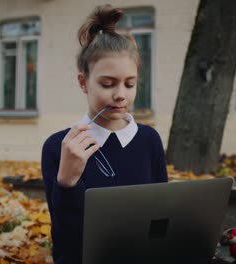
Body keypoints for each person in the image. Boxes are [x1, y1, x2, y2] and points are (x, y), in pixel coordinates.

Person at [41, 4, 168, 264]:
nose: (121, 94)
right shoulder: (59, 147)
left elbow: (161, 224)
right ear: (83, 82)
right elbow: (65, 246)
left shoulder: (149, 140)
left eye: (130, 84)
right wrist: (67, 182)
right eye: (107, 84)